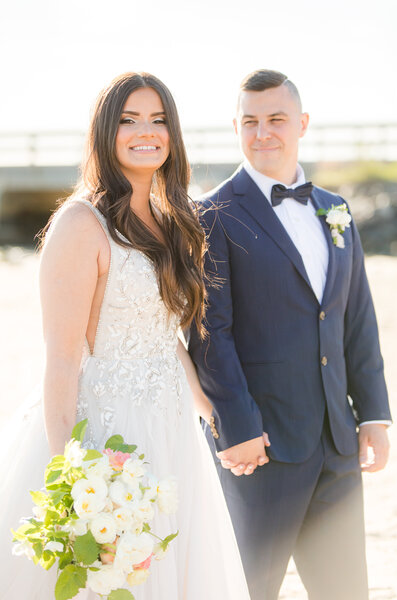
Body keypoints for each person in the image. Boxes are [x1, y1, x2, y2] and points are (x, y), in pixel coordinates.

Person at [0, 72, 251, 599]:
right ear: (105, 132)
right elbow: (63, 359)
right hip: (106, 435)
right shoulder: (80, 223)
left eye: (159, 120)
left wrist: (215, 414)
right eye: (129, 119)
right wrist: (66, 476)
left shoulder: (171, 219)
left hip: (172, 428)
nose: (147, 131)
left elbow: (166, 339)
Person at [189, 69, 392, 600]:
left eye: (276, 119)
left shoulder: (335, 209)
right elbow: (210, 333)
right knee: (250, 589)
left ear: (301, 123)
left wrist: (372, 415)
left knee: (346, 590)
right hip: (260, 448)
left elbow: (356, 320)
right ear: (236, 126)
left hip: (337, 442)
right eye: (250, 122)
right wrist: (237, 429)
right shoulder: (210, 215)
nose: (263, 134)